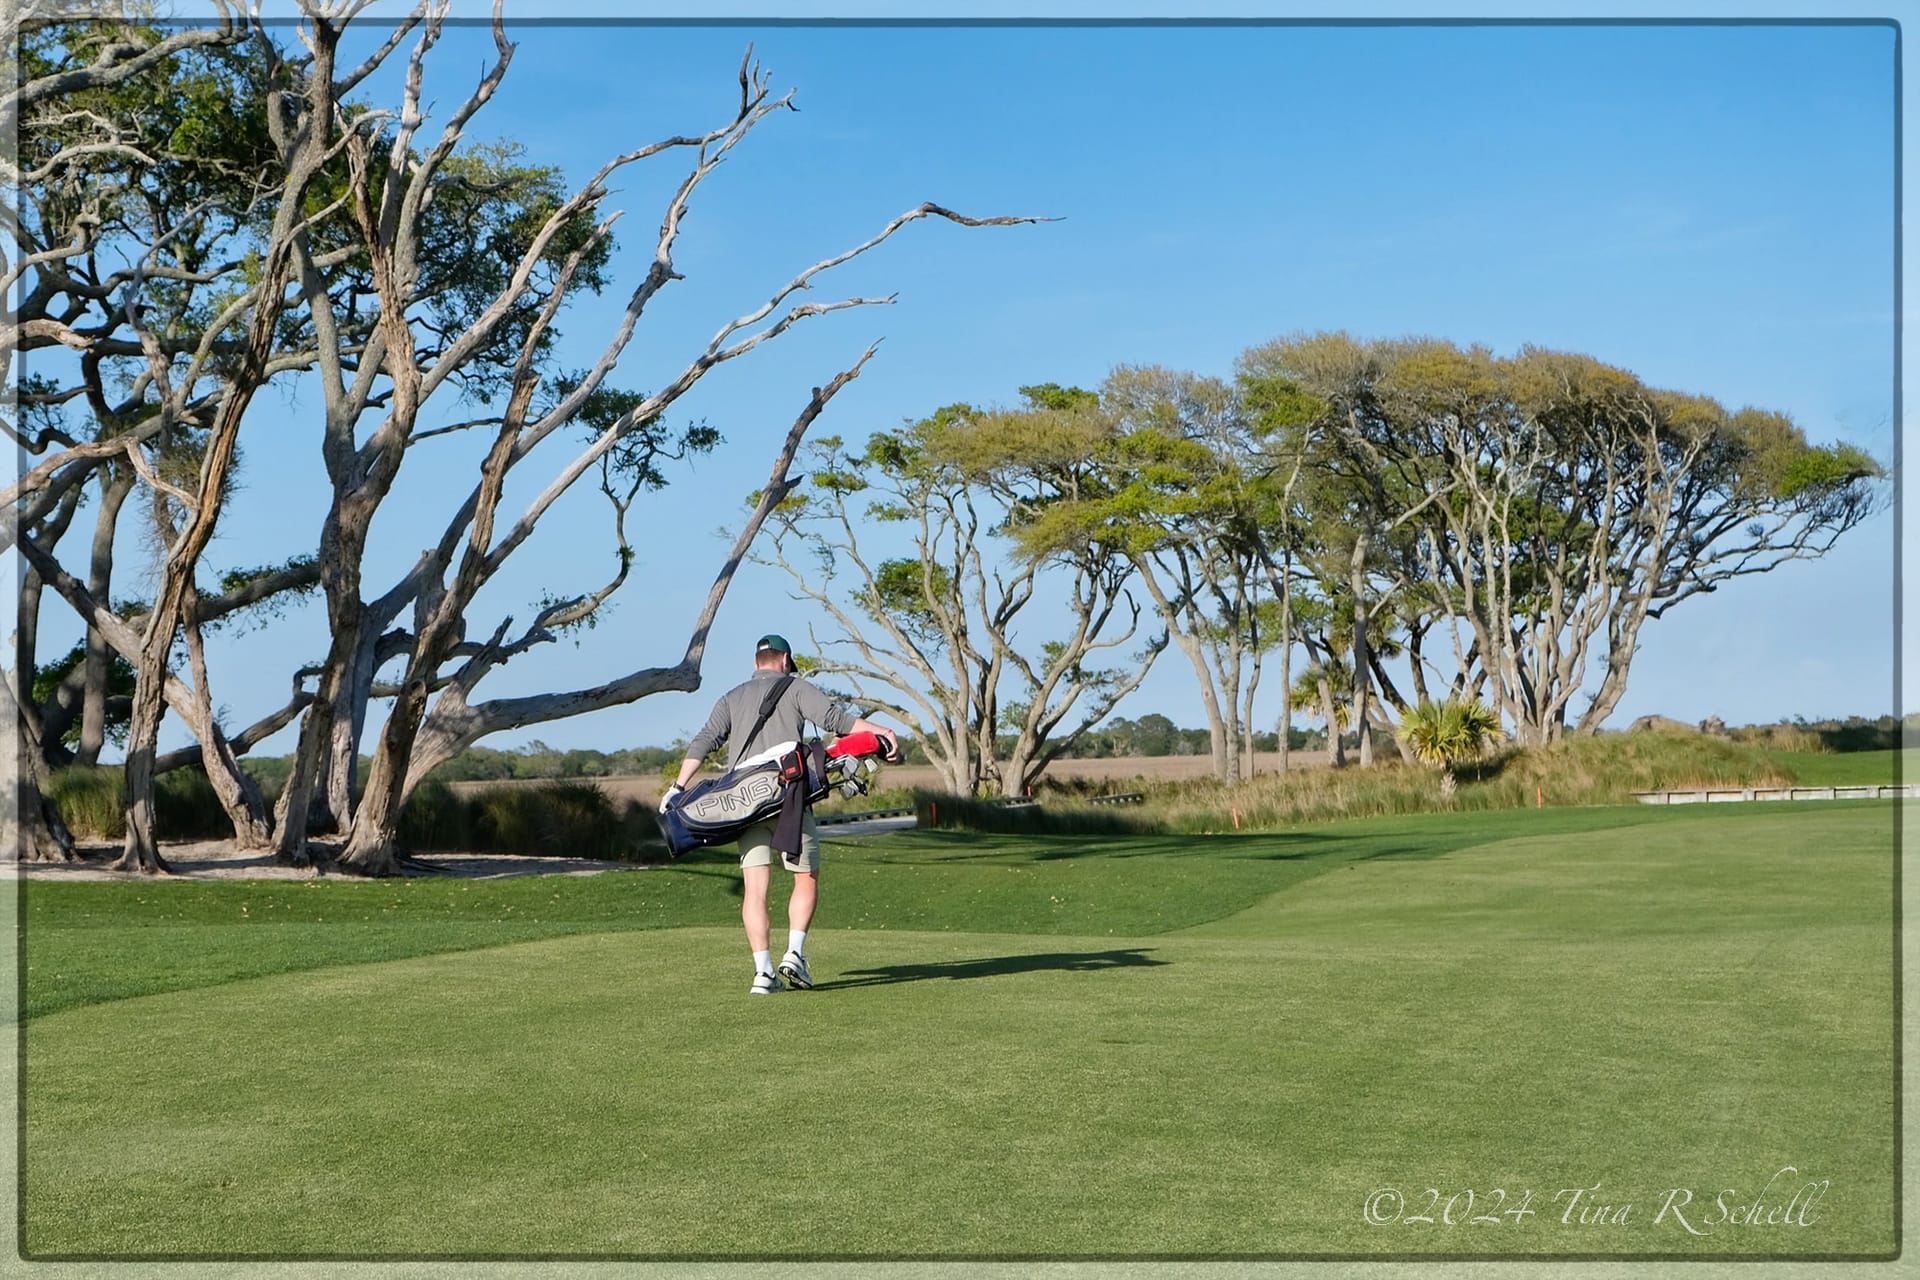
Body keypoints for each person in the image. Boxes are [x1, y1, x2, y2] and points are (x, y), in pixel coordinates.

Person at [664, 634, 900, 995]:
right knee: (806, 877)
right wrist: (881, 732)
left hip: (744, 806)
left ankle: (763, 972)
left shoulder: (732, 696)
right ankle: (794, 954)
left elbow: (704, 740)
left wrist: (677, 788)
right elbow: (837, 721)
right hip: (789, 798)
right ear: (785, 659)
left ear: (757, 661)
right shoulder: (796, 687)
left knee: (755, 891)